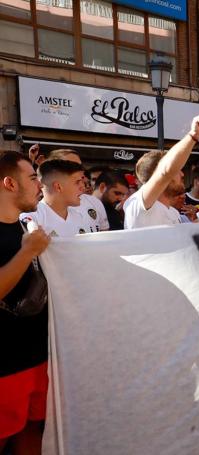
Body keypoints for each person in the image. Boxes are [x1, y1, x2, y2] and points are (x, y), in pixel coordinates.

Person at [0, 151, 51, 455]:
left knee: (34, 433)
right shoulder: (27, 240)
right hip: (5, 366)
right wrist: (27, 253)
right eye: (32, 178)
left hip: (37, 357)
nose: (40, 186)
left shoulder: (25, 228)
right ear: (9, 183)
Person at [124, 114, 199, 229]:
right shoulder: (139, 203)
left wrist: (194, 219)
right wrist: (194, 135)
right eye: (177, 170)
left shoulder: (174, 213)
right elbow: (165, 171)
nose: (182, 174)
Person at [21, 160, 96, 237]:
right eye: (77, 182)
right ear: (58, 187)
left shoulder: (79, 217)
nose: (83, 187)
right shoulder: (33, 217)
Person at [45, 149, 109, 232]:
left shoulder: (94, 202)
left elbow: (104, 238)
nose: (80, 170)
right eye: (72, 166)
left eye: (80, 166)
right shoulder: (40, 211)